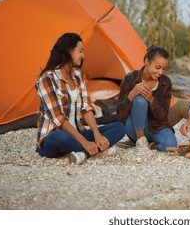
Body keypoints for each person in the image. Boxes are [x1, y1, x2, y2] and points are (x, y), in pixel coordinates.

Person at [35, 33, 126, 164]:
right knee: (61, 137)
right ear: (68, 51)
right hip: (54, 137)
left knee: (119, 127)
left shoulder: (78, 75)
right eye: (81, 51)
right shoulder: (46, 79)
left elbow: (86, 108)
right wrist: (86, 143)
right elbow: (59, 119)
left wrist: (97, 135)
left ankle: (82, 154)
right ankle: (97, 150)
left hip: (78, 133)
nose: (84, 56)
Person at [116, 45, 177, 151]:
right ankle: (140, 140)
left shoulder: (165, 83)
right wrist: (131, 94)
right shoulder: (130, 79)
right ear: (147, 62)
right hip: (134, 128)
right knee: (139, 100)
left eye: (163, 69)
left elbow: (162, 116)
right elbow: (120, 115)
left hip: (156, 127)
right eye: (158, 67)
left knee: (171, 145)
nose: (160, 72)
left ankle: (152, 145)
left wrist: (151, 99)